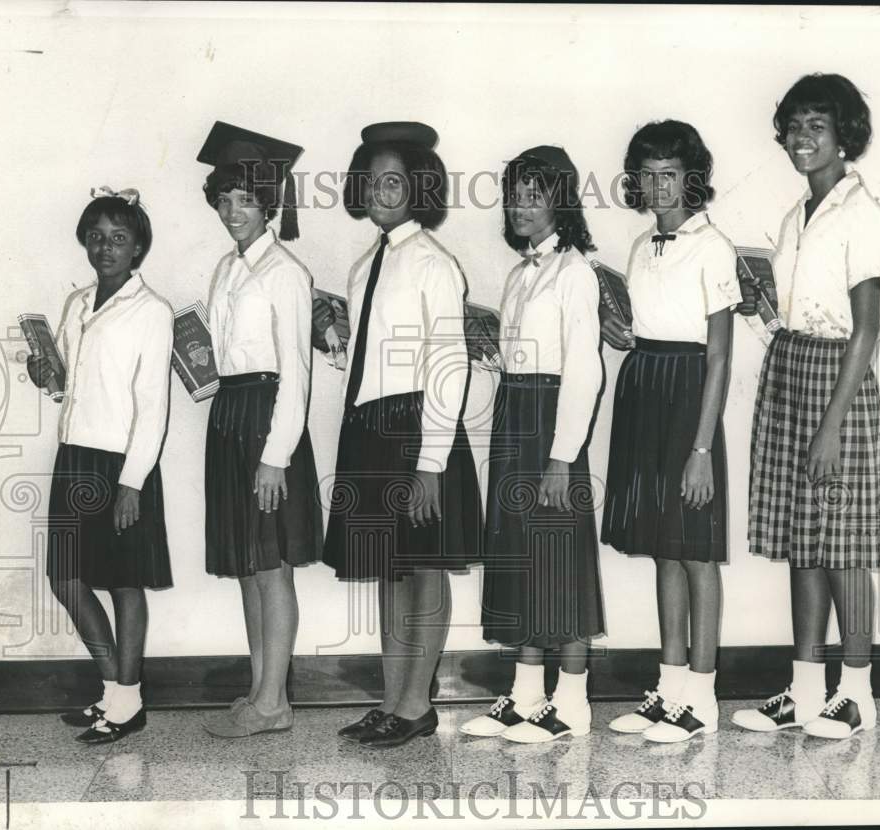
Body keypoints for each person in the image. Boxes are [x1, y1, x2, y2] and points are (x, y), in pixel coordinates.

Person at [732, 74, 880, 740]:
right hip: (792, 368)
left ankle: (857, 693)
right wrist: (761, 314)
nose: (803, 138)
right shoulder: (793, 215)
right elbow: (794, 310)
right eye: (795, 126)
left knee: (844, 547)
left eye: (817, 126)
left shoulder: (866, 216)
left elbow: (865, 328)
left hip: (840, 384)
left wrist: (831, 426)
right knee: (805, 543)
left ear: (844, 134)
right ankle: (804, 690)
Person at [323, 121, 483, 749]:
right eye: (372, 179)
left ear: (418, 188)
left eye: (395, 179)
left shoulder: (434, 263)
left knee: (422, 567)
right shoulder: (365, 264)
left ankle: (417, 704)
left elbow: (448, 361)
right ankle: (391, 699)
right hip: (369, 426)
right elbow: (375, 356)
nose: (382, 190)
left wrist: (431, 462)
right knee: (388, 570)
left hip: (417, 429)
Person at [601, 120, 741, 743]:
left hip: (689, 397)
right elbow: (647, 319)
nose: (658, 188)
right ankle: (670, 687)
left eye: (670, 176)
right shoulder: (638, 246)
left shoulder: (712, 246)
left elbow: (718, 355)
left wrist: (702, 449)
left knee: (695, 550)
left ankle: (702, 698)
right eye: (648, 176)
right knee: (664, 545)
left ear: (692, 180)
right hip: (644, 389)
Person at [459, 146, 604, 744]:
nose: (521, 205)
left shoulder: (575, 271)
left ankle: (571, 702)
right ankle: (524, 696)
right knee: (520, 553)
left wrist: (561, 457)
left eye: (535, 194)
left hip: (550, 427)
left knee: (560, 557)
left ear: (559, 202)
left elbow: (585, 371)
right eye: (514, 193)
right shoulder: (520, 274)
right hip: (516, 417)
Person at [28, 187, 173, 744]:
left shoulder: (153, 311)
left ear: (137, 247)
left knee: (123, 582)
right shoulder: (76, 304)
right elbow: (67, 384)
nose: (105, 247)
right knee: (65, 575)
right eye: (96, 237)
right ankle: (116, 690)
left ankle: (128, 701)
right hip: (74, 457)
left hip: (122, 464)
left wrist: (132, 483)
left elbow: (153, 405)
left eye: (118, 238)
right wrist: (49, 376)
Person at [197, 122, 324, 738]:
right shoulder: (225, 268)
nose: (233, 211)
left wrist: (277, 455)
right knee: (248, 564)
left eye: (245, 199)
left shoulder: (286, 272)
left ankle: (274, 703)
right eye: (224, 199)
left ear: (267, 203)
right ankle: (258, 691)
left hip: (267, 421)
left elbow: (296, 374)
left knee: (271, 565)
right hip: (229, 414)